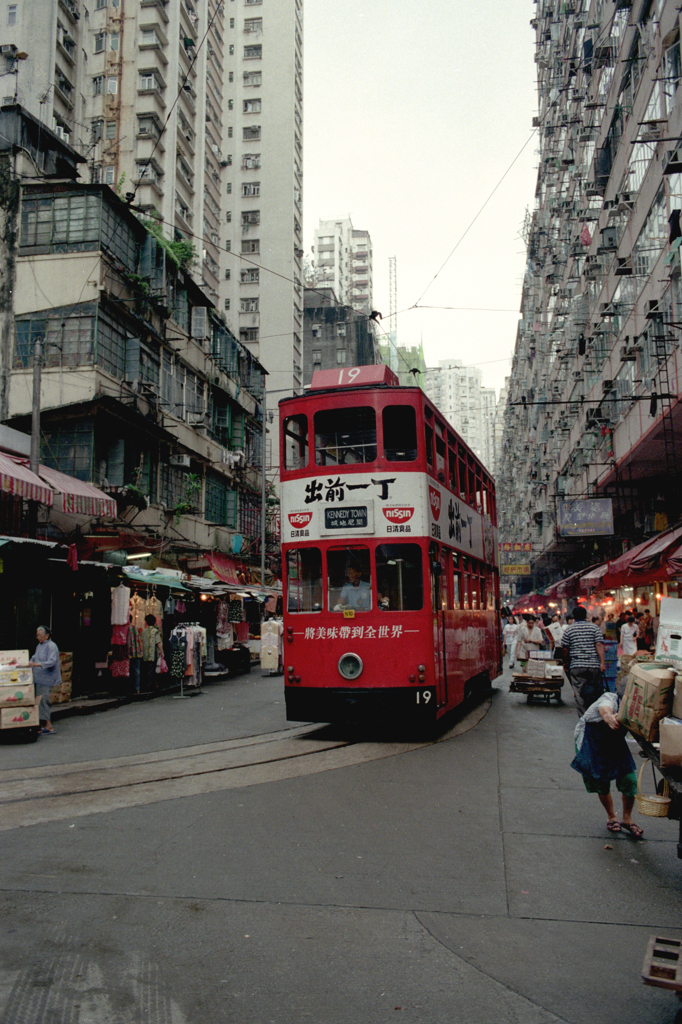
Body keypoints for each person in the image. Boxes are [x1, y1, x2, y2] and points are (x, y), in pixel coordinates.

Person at [570, 690, 643, 837]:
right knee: (600, 780)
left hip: (613, 740)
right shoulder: (609, 699)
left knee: (629, 778)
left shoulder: (638, 708)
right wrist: (608, 717)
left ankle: (627, 819)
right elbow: (605, 709)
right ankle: (611, 816)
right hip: (590, 741)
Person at [561, 606, 606, 716]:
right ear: (586, 616)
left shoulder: (569, 629)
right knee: (595, 691)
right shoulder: (594, 628)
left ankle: (584, 718)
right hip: (594, 666)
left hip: (577, 666)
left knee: (579, 693)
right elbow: (599, 644)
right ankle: (595, 715)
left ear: (573, 617)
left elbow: (565, 648)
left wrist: (566, 662)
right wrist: (602, 663)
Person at [27, 625, 61, 735]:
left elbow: (52, 661)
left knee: (44, 701)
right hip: (38, 679)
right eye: (37, 635)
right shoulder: (39, 646)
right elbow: (34, 657)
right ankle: (42, 725)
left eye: (40, 635)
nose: (37, 637)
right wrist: (28, 663)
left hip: (46, 679)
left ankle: (49, 726)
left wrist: (36, 664)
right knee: (39, 702)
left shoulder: (51, 646)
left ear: (47, 636)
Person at [141, 613, 164, 690]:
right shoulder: (156, 631)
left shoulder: (143, 631)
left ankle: (145, 685)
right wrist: (162, 651)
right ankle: (149, 686)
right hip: (152, 654)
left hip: (144, 654)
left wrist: (141, 651)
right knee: (151, 670)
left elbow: (141, 642)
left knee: (145, 670)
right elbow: (158, 642)